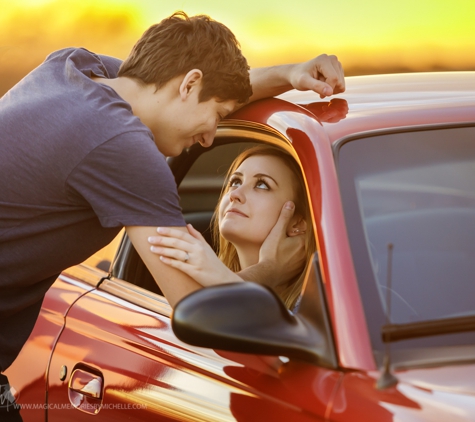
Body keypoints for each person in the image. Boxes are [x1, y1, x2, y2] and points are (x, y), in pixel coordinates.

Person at [0, 10, 344, 420]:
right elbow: (199, 310)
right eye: (217, 116)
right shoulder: (122, 146)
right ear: (190, 84)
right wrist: (271, 272)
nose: (210, 137)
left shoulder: (75, 68)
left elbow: (211, 86)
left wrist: (291, 74)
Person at [148, 145, 316, 310]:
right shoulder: (197, 283)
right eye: (235, 182)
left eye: (262, 185)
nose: (235, 194)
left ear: (297, 223)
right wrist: (269, 268)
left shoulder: (314, 309)